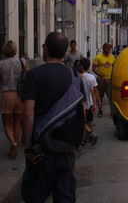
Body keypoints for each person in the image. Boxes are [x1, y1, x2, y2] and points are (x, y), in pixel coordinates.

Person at [21, 32, 82, 202]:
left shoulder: (34, 75)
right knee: (65, 196)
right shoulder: (75, 76)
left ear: (45, 50)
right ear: (65, 52)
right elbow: (81, 110)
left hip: (41, 150)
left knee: (35, 195)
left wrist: (27, 146)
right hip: (65, 149)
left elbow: (28, 114)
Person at [0, 41, 27, 159]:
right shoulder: (22, 62)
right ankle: (13, 148)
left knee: (6, 123)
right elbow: (29, 76)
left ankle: (13, 143)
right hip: (19, 95)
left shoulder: (1, 64)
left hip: (6, 95)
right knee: (17, 123)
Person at [76, 58, 99, 146]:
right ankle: (88, 137)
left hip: (80, 103)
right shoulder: (91, 77)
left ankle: (84, 138)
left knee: (80, 121)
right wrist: (95, 104)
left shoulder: (77, 76)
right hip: (89, 103)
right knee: (89, 121)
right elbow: (93, 92)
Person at [92, 43, 115, 117]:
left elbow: (114, 67)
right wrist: (100, 75)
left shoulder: (112, 57)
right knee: (100, 96)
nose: (108, 50)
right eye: (107, 48)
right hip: (100, 80)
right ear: (103, 48)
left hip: (110, 79)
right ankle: (100, 111)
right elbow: (94, 68)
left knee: (110, 96)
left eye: (109, 48)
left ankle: (112, 112)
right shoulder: (98, 57)